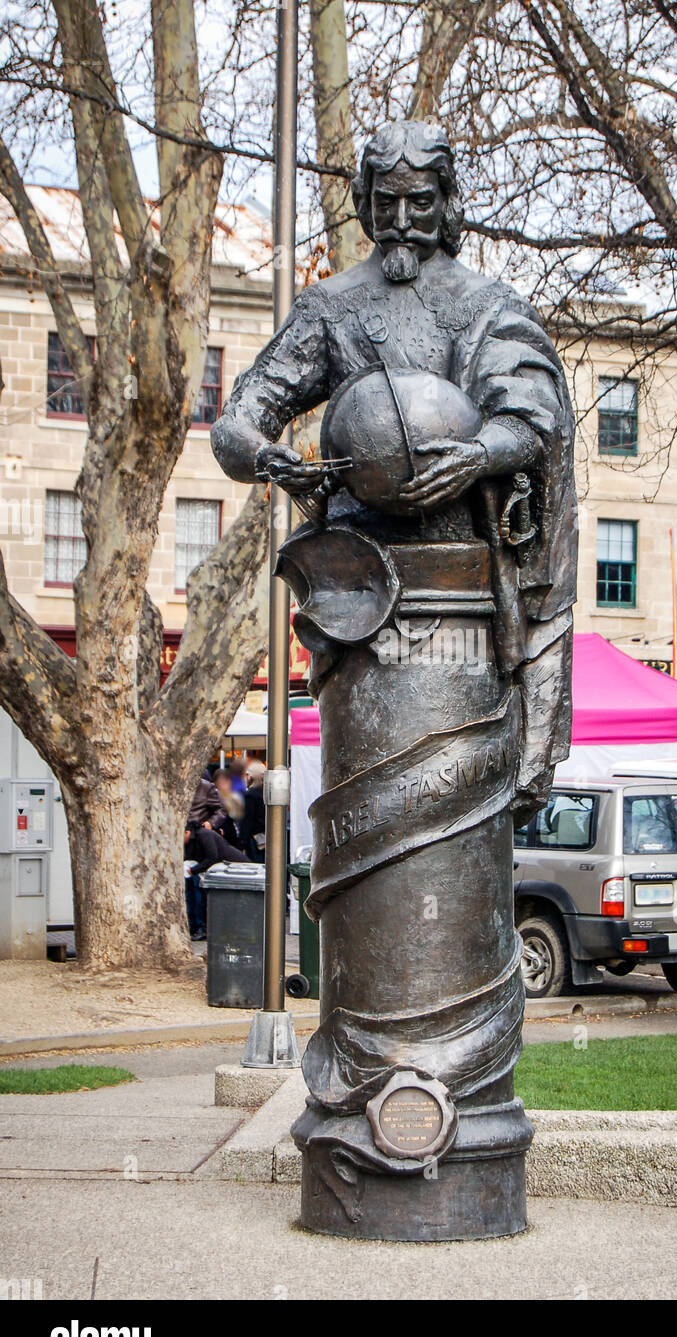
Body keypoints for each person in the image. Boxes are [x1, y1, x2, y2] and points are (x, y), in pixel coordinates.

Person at [211, 119, 578, 818]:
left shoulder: (487, 306)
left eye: (420, 203)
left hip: (461, 586)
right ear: (364, 203)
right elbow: (237, 419)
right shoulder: (330, 307)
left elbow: (532, 419)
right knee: (364, 805)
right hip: (355, 590)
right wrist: (270, 459)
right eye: (386, 204)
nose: (402, 223)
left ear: (447, 200)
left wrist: (474, 456)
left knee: (453, 809)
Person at [183, 820, 250, 940]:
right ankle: (195, 926)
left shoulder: (204, 836)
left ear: (187, 832)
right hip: (213, 870)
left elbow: (212, 857)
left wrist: (194, 870)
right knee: (194, 894)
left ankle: (202, 928)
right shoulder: (193, 839)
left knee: (201, 897)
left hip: (233, 868)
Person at [238, 760, 267, 861]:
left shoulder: (250, 795)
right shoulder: (266, 793)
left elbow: (247, 820)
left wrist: (242, 843)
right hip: (266, 837)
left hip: (254, 839)